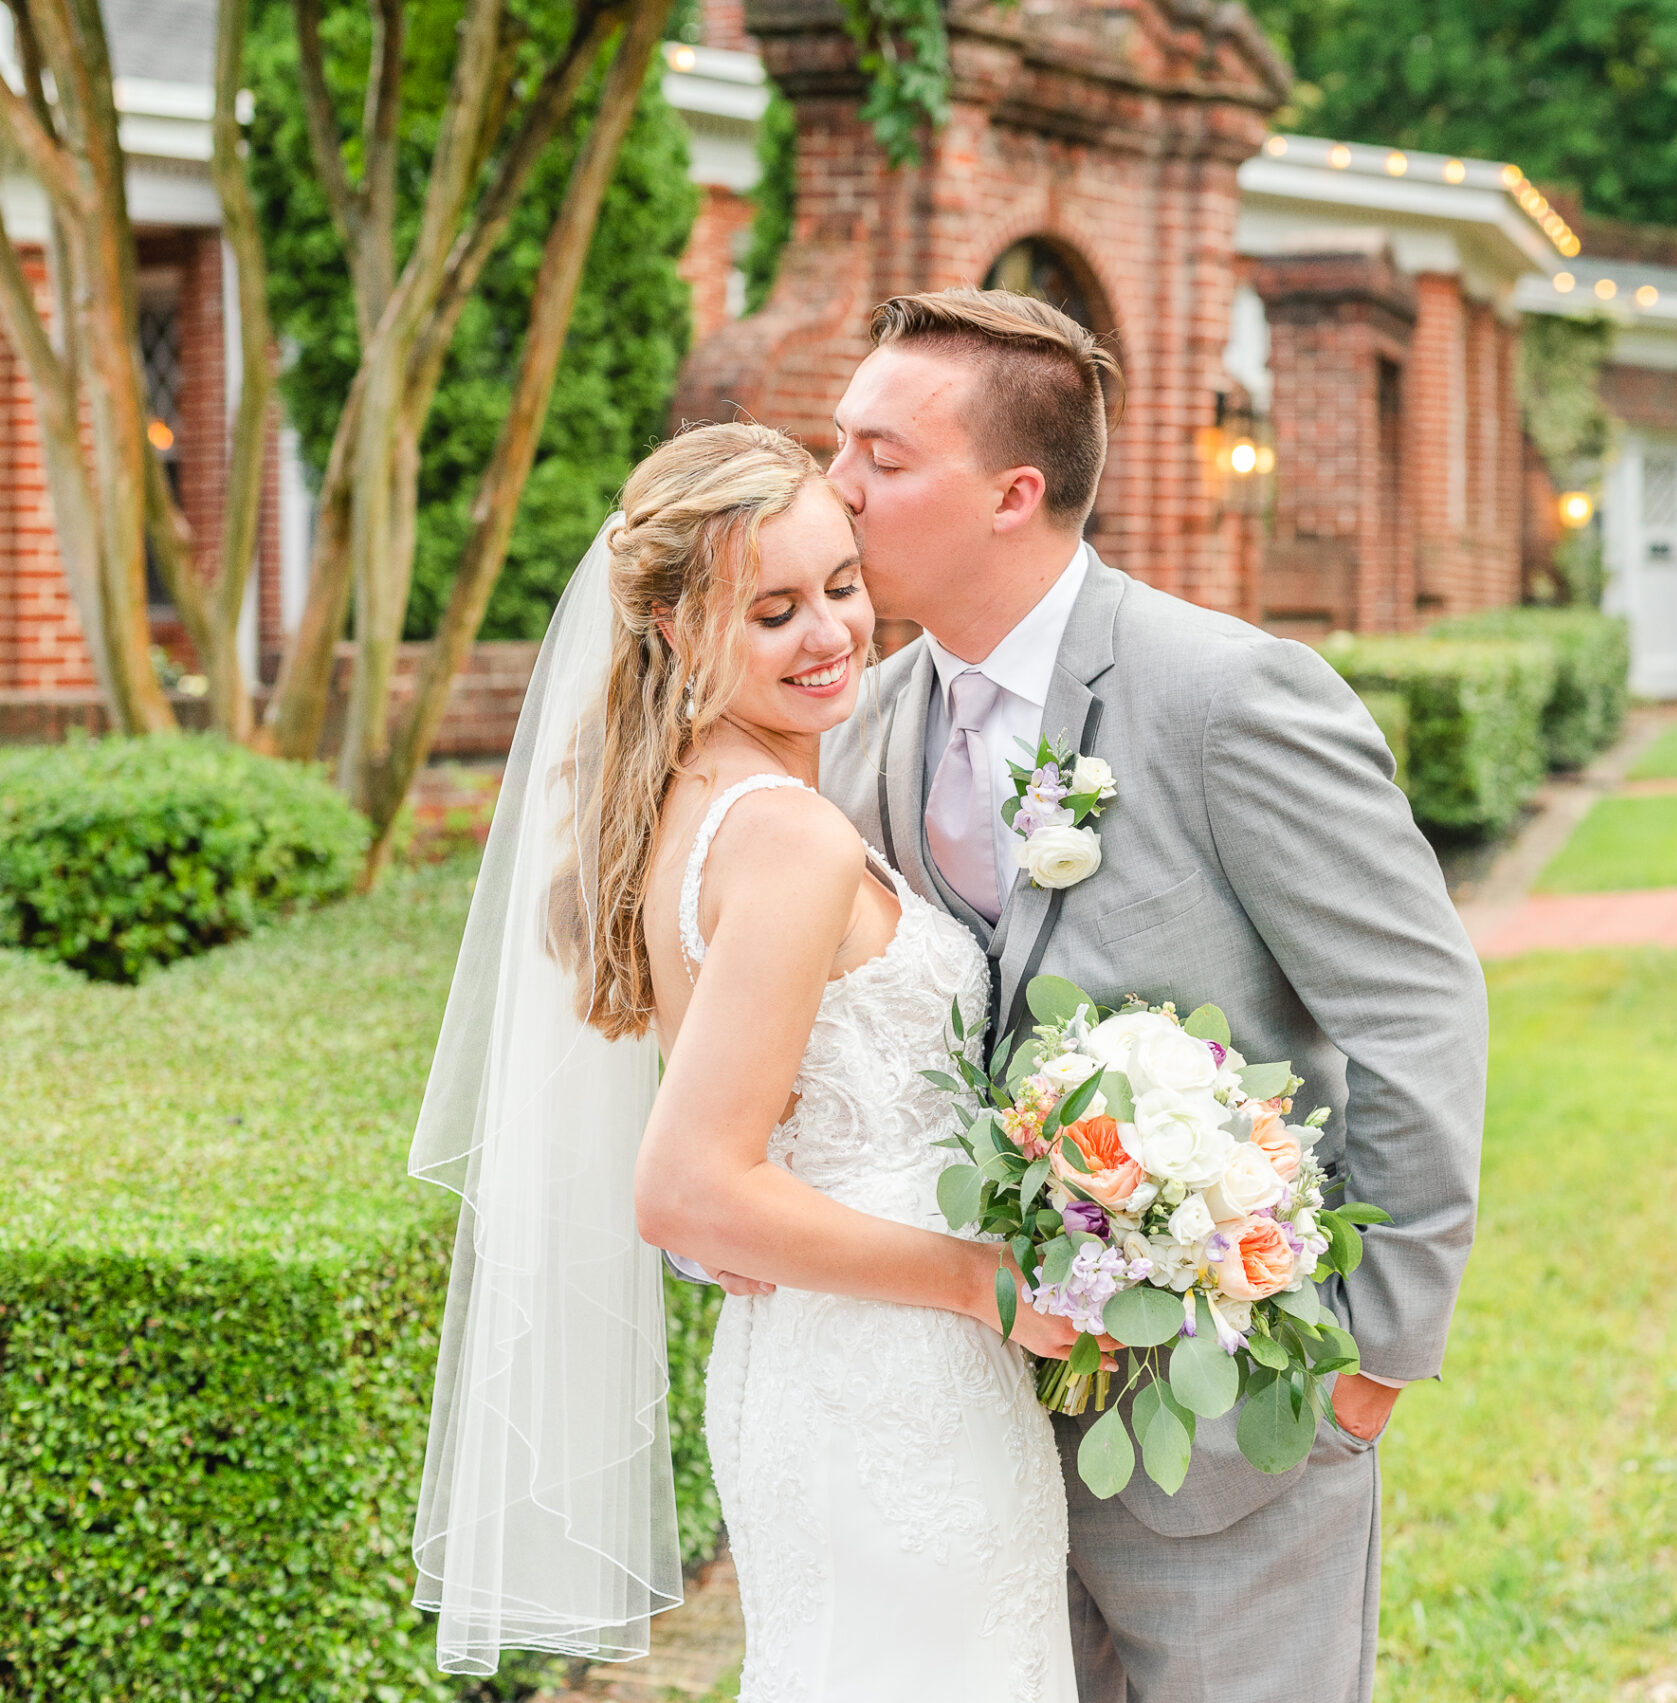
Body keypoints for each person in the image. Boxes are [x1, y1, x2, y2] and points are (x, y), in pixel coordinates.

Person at [816, 288, 1487, 1703]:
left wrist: (1375, 1352)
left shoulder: (1227, 695)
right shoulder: (871, 716)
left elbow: (1416, 1004)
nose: (837, 489)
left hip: (1232, 1421)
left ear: (1013, 492)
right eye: (838, 446)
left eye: (882, 457)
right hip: (975, 1429)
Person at [410, 422, 1083, 1700]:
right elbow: (688, 1191)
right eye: (772, 609)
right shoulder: (786, 839)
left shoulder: (695, 795)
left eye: (840, 584)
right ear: (671, 626)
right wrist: (987, 1282)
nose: (829, 632)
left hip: (826, 1357)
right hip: (893, 1373)